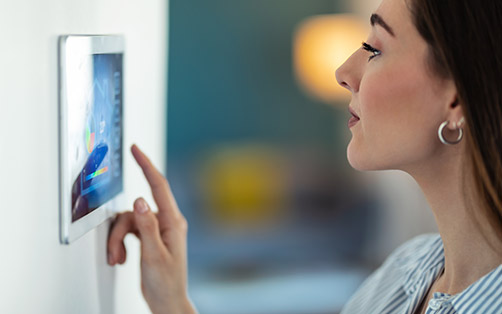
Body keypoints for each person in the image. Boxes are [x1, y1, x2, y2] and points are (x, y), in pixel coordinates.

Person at [107, 0, 502, 312]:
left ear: (455, 99)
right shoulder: (405, 272)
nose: (344, 71)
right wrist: (173, 302)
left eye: (375, 49)